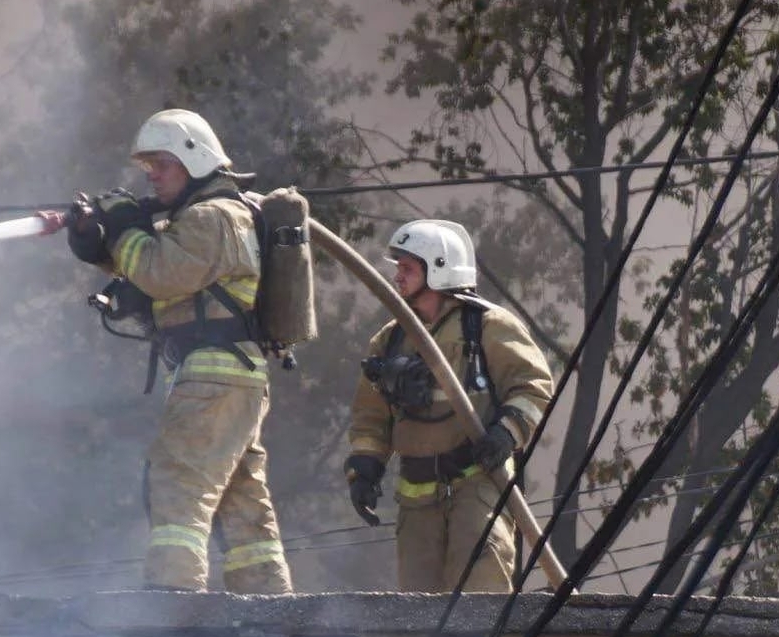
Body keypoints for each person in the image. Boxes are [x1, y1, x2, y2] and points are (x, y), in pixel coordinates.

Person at [38, 108, 292, 593]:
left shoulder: (212, 217)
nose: (151, 175)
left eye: (162, 163)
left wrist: (125, 228)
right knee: (242, 501)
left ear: (194, 160)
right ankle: (269, 607)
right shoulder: (203, 221)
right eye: (148, 165)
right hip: (229, 377)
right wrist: (98, 242)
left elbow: (160, 271)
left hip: (215, 376)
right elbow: (154, 264)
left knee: (177, 480)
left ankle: (173, 599)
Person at [343, 219, 554, 592]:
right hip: (415, 491)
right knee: (419, 611)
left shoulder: (486, 325)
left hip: (477, 481)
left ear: (438, 269)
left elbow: (532, 386)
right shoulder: (390, 340)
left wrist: (506, 433)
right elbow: (370, 417)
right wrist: (364, 468)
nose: (397, 278)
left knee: (479, 591)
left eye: (407, 268)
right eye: (398, 269)